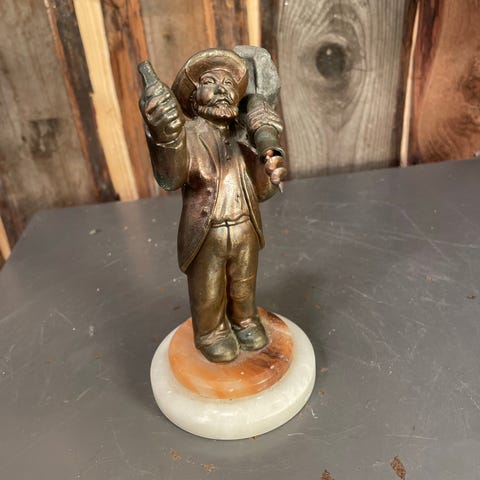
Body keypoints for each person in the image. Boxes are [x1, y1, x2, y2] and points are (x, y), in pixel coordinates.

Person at [139, 48, 287, 362]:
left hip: (245, 226)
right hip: (208, 233)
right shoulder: (187, 136)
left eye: (229, 84)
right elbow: (171, 177)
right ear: (193, 99)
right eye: (210, 82)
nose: (222, 89)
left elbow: (262, 192)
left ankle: (244, 321)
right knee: (208, 290)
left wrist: (268, 162)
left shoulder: (245, 135)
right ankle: (211, 332)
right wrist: (164, 136)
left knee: (243, 284)